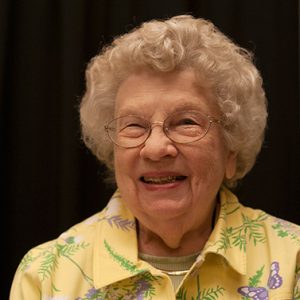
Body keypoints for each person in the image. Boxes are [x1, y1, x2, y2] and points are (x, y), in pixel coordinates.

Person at [10, 15, 300, 300]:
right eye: (134, 126)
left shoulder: (293, 263)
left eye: (186, 122)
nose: (156, 148)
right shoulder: (46, 276)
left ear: (231, 149)